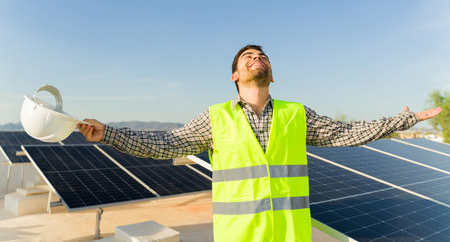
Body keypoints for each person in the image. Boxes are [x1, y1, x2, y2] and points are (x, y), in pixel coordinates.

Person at [78, 45, 442, 242]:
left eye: (263, 56)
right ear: (235, 75)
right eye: (248, 57)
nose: (258, 58)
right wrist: (109, 133)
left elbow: (346, 132)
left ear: (272, 73)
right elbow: (166, 143)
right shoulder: (215, 116)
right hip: (240, 237)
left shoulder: (296, 113)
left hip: (292, 237)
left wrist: (404, 119)